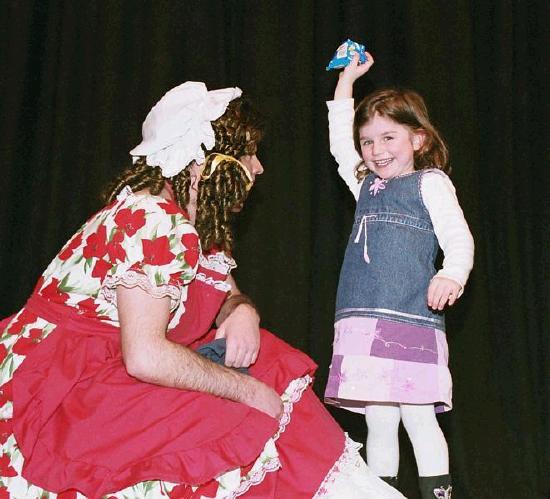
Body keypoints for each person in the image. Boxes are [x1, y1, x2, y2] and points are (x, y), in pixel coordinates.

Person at [0, 81, 405, 498]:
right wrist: (249, 391)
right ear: (204, 164)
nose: (258, 167)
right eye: (248, 154)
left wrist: (240, 309)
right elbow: (144, 356)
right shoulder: (154, 221)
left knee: (265, 362)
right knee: (246, 403)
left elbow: (223, 290)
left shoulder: (181, 219)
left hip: (103, 369)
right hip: (63, 389)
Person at [323, 53, 474, 499]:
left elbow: (459, 237)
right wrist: (346, 82)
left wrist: (453, 274)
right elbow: (337, 141)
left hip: (409, 319)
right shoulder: (364, 183)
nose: (377, 150)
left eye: (389, 137)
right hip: (362, 321)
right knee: (379, 420)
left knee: (419, 417)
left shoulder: (430, 183)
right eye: (368, 141)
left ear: (419, 139)